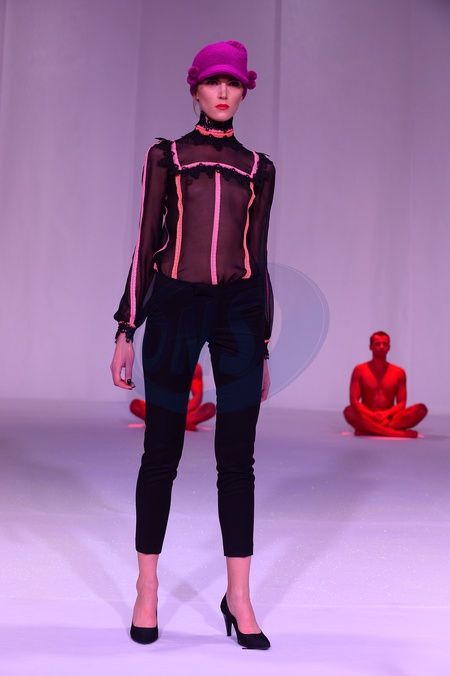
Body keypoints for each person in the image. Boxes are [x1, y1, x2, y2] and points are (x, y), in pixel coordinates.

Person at [110, 40, 274, 650]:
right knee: (161, 452)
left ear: (244, 91)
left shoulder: (259, 168)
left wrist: (262, 340)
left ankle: (240, 597)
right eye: (213, 82)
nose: (223, 92)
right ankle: (147, 587)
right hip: (175, 305)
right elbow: (144, 240)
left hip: (238, 314)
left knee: (238, 458)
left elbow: (258, 258)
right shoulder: (169, 157)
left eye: (234, 83)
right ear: (196, 88)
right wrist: (126, 327)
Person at [343, 331, 427, 438]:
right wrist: (372, 415)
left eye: (385, 344)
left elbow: (402, 403)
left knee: (421, 410)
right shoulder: (359, 370)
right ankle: (395, 433)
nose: (381, 347)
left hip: (390, 418)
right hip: (367, 416)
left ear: (389, 347)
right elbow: (354, 401)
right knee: (349, 412)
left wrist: (385, 414)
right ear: (370, 347)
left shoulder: (399, 372)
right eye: (377, 344)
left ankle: (369, 429)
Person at [129, 363, 216, 431]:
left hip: (184, 408)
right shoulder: (159, 365)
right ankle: (182, 423)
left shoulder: (195, 368)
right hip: (162, 407)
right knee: (136, 405)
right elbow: (155, 396)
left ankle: (161, 423)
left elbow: (197, 398)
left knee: (210, 408)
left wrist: (180, 411)